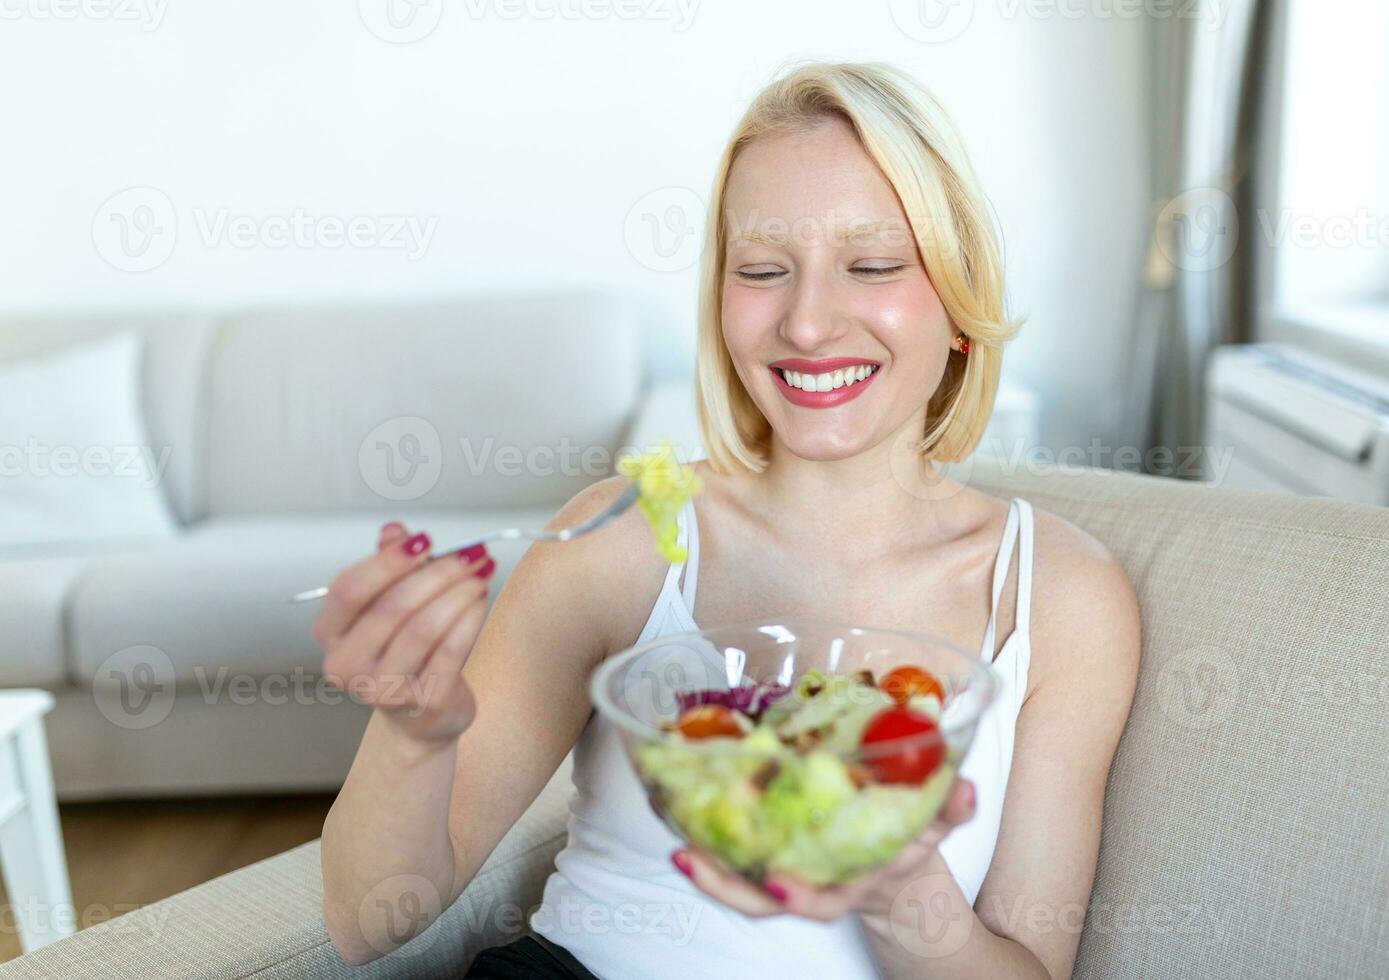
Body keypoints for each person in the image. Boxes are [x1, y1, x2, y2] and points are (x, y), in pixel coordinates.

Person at [317, 60, 1140, 980]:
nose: (808, 323)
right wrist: (411, 731)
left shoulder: (1061, 600)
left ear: (958, 298)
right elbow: (368, 921)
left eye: (870, 265)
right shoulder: (618, 542)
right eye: (761, 270)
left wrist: (894, 873)